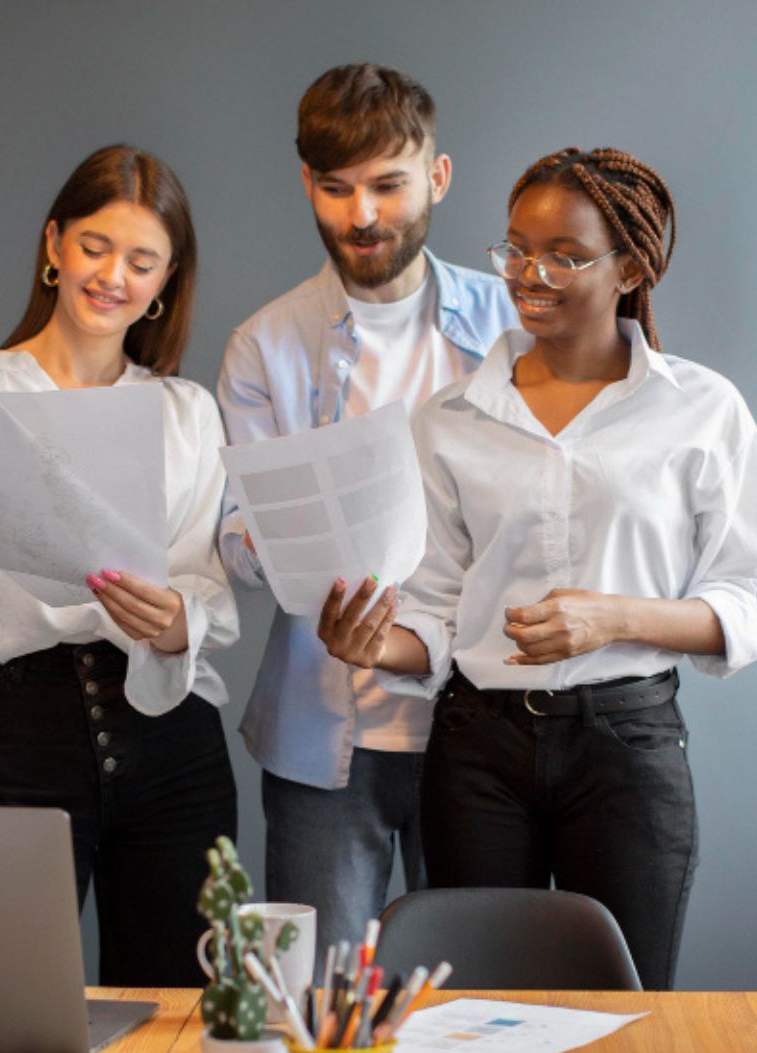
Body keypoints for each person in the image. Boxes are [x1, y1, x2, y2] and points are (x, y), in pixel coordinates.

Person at [314, 146, 757, 990]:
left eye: (563, 255)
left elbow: (753, 596)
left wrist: (615, 617)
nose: (528, 274)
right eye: (515, 249)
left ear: (633, 266)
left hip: (628, 747)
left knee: (625, 1018)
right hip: (477, 750)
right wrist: (372, 646)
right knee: (472, 1015)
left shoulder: (701, 409)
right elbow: (434, 610)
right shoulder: (450, 418)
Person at [0, 144, 238, 988]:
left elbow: (204, 588)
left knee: (178, 1014)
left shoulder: (187, 412)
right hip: (18, 733)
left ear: (166, 281)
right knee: (5, 999)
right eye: (96, 246)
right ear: (53, 245)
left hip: (172, 742)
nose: (113, 277)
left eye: (142, 261)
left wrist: (176, 620)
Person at [216, 63, 516, 957]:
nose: (363, 216)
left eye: (388, 184)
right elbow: (233, 537)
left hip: (483, 728)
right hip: (320, 733)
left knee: (468, 1003)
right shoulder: (263, 343)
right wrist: (281, 546)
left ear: (438, 176)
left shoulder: (512, 326)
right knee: (315, 1000)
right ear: (308, 182)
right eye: (338, 189)